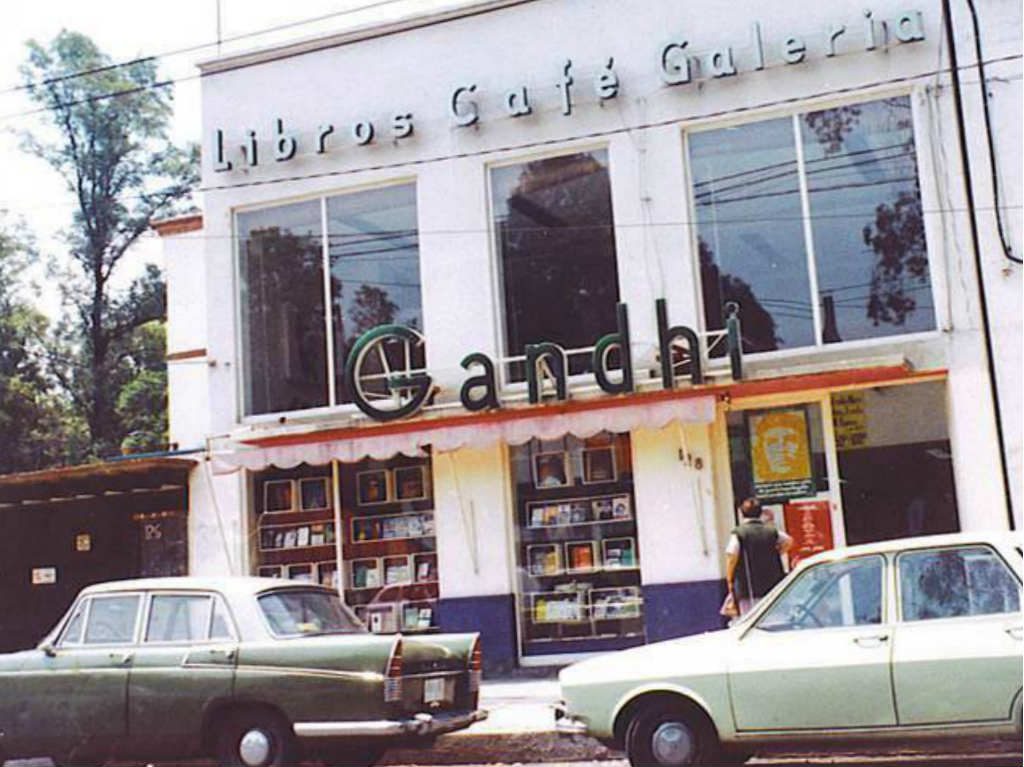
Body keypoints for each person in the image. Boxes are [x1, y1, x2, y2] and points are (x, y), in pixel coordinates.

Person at [726, 497, 792, 617]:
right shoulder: (772, 531)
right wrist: (778, 552)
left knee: (749, 618)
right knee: (773, 616)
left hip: (749, 586)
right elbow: (788, 541)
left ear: (741, 513)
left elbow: (732, 555)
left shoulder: (739, 533)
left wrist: (730, 578)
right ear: (760, 513)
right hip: (773, 584)